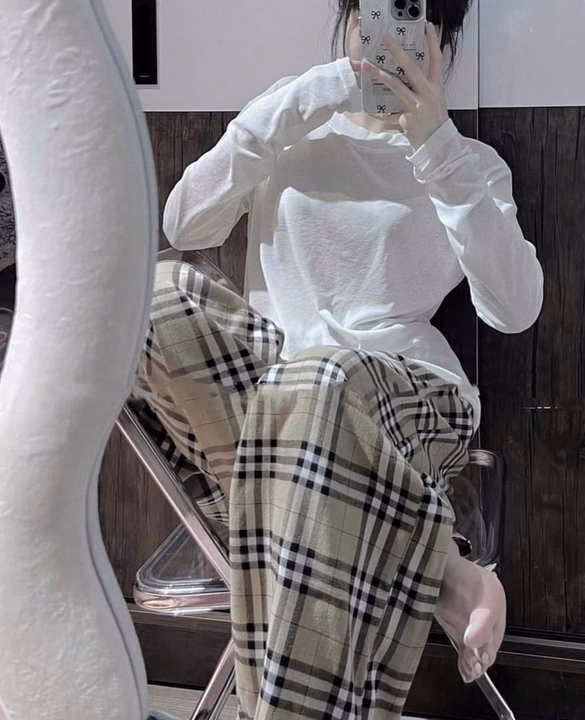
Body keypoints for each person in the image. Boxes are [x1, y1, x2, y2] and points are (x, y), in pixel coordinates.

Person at [132, 2, 544, 717]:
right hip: (277, 398)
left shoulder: (469, 163)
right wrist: (310, 96)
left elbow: (515, 308)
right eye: (370, 14)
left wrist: (434, 142)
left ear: (442, 39)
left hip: (407, 396)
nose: (386, 39)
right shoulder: (291, 121)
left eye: (410, 19)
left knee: (323, 377)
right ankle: (441, 564)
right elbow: (184, 223)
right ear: (349, 20)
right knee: (156, 297)